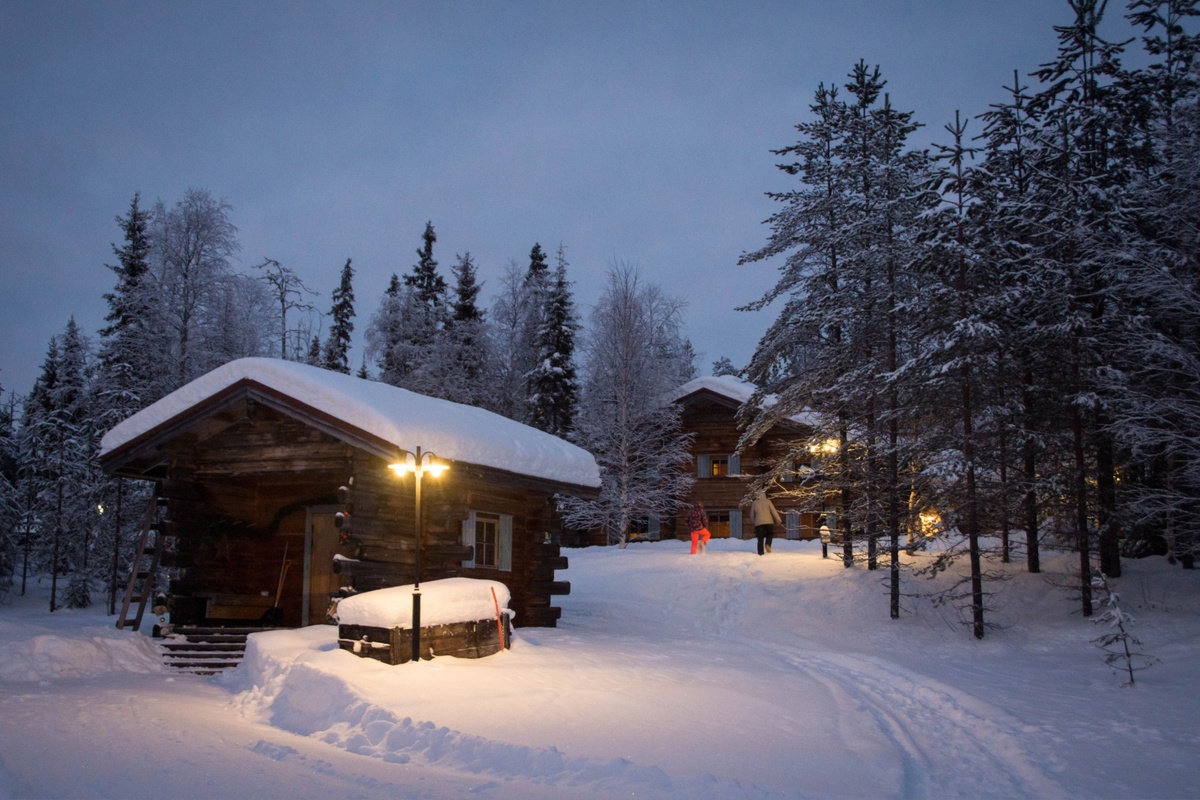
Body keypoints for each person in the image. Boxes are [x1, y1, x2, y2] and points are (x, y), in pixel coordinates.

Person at [749, 491, 782, 555]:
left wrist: (754, 521)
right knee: (769, 534)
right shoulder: (768, 501)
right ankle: (768, 544)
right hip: (769, 522)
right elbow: (773, 511)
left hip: (759, 523)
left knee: (760, 538)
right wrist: (778, 520)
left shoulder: (754, 503)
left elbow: (751, 514)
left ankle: (760, 552)